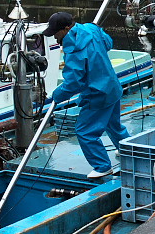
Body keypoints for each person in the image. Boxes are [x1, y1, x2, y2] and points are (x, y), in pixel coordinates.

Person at [44, 12, 129, 179]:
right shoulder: (91, 28)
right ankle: (129, 151)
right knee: (114, 125)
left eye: (56, 33)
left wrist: (56, 95)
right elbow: (108, 43)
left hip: (97, 94)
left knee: (85, 131)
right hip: (112, 87)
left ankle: (102, 166)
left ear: (66, 28)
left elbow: (74, 82)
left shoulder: (74, 47)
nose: (55, 38)